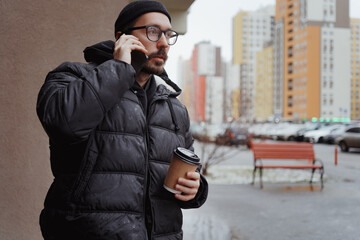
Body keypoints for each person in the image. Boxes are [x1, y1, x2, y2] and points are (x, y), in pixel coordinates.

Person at [36, 1, 208, 239]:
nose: (164, 44)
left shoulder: (173, 106)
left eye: (168, 35)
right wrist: (119, 67)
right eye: (153, 31)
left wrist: (195, 189)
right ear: (122, 37)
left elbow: (187, 169)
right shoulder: (73, 77)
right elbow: (63, 123)